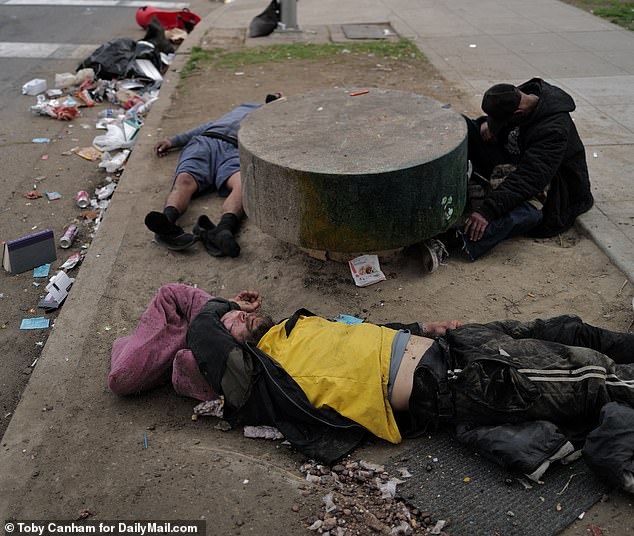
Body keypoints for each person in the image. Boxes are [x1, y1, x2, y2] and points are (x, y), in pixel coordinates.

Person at [110, 286, 634, 487]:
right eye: (223, 325)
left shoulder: (292, 329)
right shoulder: (256, 381)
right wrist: (221, 315)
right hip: (459, 379)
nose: (229, 318)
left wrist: (426, 328)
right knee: (592, 375)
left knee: (570, 330)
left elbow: (368, 337)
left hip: (459, 347)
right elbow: (171, 316)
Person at [426, 78, 594, 265]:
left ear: (518, 113)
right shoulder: (520, 95)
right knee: (462, 126)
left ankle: (453, 240)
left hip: (551, 185)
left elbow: (529, 178)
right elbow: (498, 123)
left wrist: (488, 210)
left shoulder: (554, 129)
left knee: (528, 215)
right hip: (512, 159)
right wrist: (487, 125)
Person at [144, 94, 282, 256]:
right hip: (206, 142)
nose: (280, 97)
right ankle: (167, 223)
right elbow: (207, 126)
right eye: (278, 96)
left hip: (237, 151)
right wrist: (172, 141)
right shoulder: (246, 106)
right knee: (184, 180)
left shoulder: (279, 120)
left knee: (242, 185)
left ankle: (223, 230)